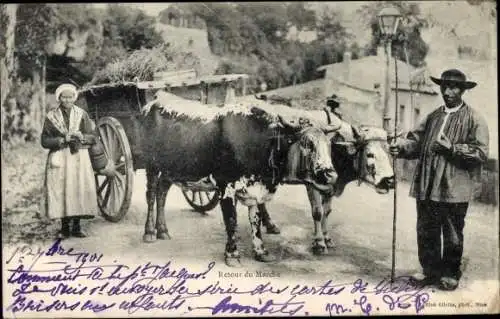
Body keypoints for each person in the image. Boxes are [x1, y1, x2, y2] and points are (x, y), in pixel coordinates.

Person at [389, 69, 489, 291]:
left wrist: (452, 148)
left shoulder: (474, 118)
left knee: (452, 232)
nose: (447, 91)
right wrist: (402, 148)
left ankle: (451, 273)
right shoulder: (434, 116)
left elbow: (481, 152)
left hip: (455, 187)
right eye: (444, 86)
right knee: (426, 229)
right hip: (427, 184)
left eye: (453, 87)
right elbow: (415, 141)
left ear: (463, 90)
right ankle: (429, 271)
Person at [41, 84, 100, 239]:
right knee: (61, 190)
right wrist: (61, 139)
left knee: (77, 189)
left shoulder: (82, 114)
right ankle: (64, 227)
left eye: (70, 97)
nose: (67, 100)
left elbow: (93, 136)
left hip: (78, 156)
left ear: (74, 98)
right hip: (60, 157)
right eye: (64, 97)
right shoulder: (51, 116)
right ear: (59, 98)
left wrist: (83, 137)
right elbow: (44, 140)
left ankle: (77, 226)